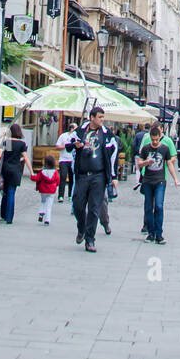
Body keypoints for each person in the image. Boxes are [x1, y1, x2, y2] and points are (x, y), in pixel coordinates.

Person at [70, 106, 118, 252]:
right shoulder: (80, 131)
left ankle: (90, 240)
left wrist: (113, 175)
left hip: (99, 175)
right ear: (92, 117)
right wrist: (75, 145)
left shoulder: (106, 134)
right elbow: (68, 145)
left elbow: (113, 153)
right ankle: (81, 228)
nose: (102, 120)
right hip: (83, 174)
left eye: (103, 117)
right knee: (77, 205)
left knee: (94, 209)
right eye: (100, 117)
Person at [138, 122, 180, 244]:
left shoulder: (165, 148)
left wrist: (175, 179)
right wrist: (146, 163)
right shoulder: (146, 148)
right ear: (150, 138)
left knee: (159, 206)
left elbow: (170, 163)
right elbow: (139, 163)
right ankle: (151, 233)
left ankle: (159, 233)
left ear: (160, 136)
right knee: (148, 207)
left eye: (156, 140)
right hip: (147, 180)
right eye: (153, 140)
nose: (155, 142)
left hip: (160, 180)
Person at [0, 123, 33, 225]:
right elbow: (25, 158)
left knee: (5, 192)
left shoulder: (7, 142)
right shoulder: (21, 144)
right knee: (11, 192)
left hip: (5, 169)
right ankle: (9, 217)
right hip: (15, 169)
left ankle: (3, 214)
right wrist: (31, 172)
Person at [34, 158, 60, 224]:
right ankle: (47, 220)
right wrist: (56, 185)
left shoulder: (42, 171)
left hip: (43, 190)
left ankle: (41, 212)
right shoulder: (55, 172)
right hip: (51, 191)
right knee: (49, 206)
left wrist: (32, 175)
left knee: (43, 201)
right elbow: (58, 181)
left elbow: (37, 178)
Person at [56, 126, 76, 200]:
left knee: (72, 178)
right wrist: (66, 146)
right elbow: (57, 146)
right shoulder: (63, 136)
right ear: (71, 129)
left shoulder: (76, 137)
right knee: (63, 177)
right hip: (63, 159)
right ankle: (61, 195)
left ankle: (70, 195)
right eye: (74, 129)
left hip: (72, 160)